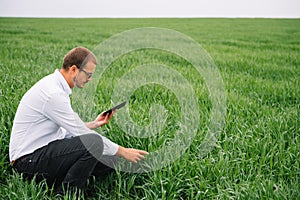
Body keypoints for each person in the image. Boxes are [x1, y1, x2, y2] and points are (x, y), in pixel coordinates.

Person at [9, 47, 148, 194]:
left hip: (43, 152)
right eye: (88, 74)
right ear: (74, 69)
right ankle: (66, 194)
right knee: (94, 143)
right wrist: (123, 151)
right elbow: (81, 134)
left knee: (110, 162)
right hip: (27, 163)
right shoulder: (53, 94)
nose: (90, 79)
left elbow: (66, 129)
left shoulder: (56, 86)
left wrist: (94, 124)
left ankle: (62, 179)